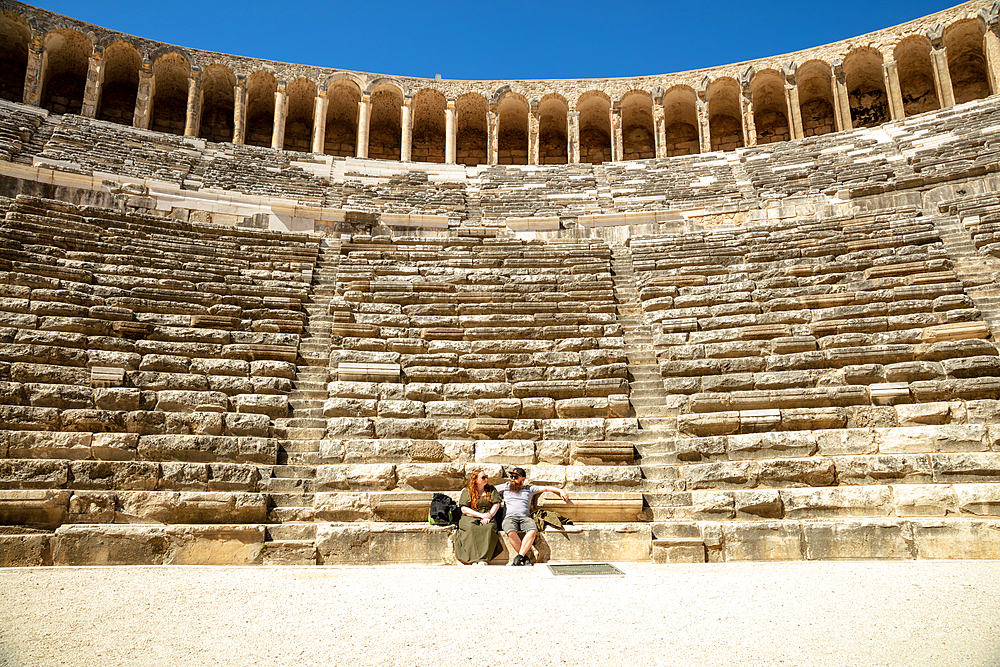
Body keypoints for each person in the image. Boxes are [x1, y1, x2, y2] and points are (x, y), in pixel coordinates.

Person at [495, 467, 569, 566]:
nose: (513, 479)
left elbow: (546, 488)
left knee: (533, 530)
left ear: (523, 479)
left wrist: (561, 491)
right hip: (509, 517)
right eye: (511, 476)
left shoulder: (529, 489)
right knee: (511, 532)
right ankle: (524, 558)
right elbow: (490, 489)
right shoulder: (506, 487)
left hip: (525, 517)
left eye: (516, 477)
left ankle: (520, 556)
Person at [455, 469, 504, 566]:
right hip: (471, 515)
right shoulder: (467, 491)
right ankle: (473, 559)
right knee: (471, 528)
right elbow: (464, 509)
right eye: (483, 477)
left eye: (486, 477)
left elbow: (496, 504)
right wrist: (481, 515)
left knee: (488, 528)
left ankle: (483, 558)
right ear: (476, 480)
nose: (486, 479)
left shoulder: (491, 489)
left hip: (487, 515)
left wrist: (489, 516)